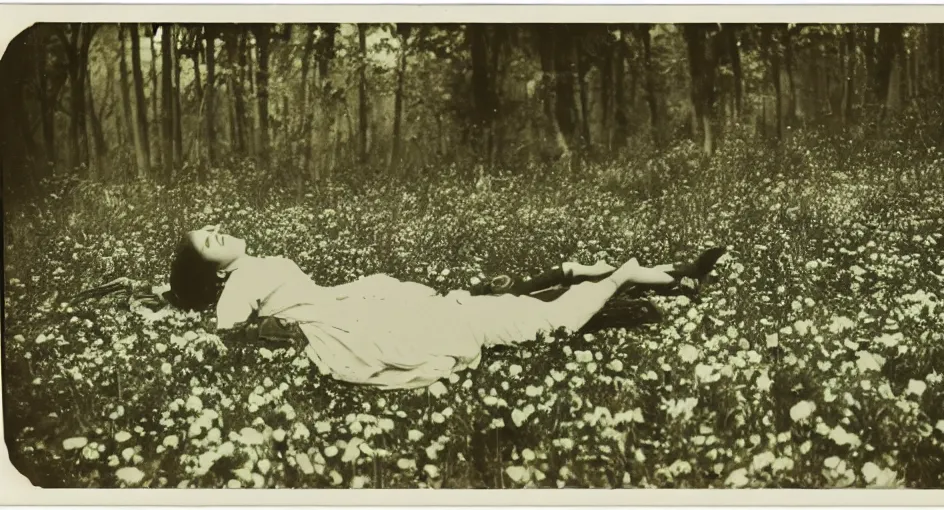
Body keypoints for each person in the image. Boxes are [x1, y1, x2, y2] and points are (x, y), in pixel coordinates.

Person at [164, 225, 723, 390]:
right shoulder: (237, 285)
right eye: (211, 241)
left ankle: (666, 281)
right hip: (342, 318)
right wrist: (281, 329)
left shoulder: (254, 262)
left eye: (212, 228)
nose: (220, 231)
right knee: (471, 311)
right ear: (215, 268)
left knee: (474, 303)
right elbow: (231, 330)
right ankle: (651, 284)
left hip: (352, 299)